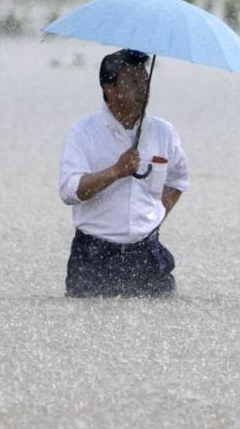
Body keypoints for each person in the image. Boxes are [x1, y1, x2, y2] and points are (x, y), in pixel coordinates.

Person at [58, 49, 189, 297]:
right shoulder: (83, 133)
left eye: (145, 81)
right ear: (109, 88)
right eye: (133, 82)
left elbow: (178, 180)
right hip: (94, 257)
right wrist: (115, 171)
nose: (143, 89)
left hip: (147, 254)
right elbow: (69, 191)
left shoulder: (164, 132)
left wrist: (154, 218)